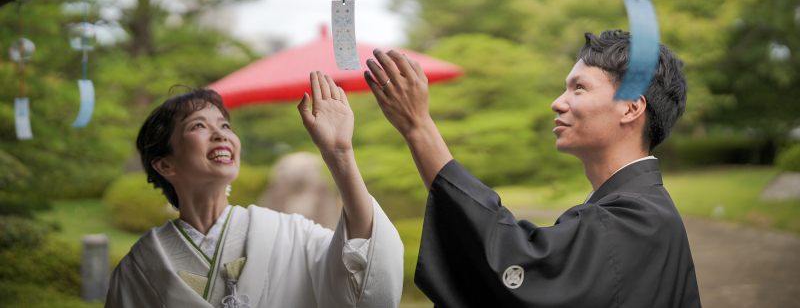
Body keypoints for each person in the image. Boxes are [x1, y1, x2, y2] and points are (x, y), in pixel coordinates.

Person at [363, 30, 702, 307]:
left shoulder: (635, 218)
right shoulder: (645, 209)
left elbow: (518, 264)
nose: (558, 102)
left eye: (579, 87)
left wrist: (419, 128)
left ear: (630, 108)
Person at [106, 72, 403, 308]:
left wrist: (340, 153)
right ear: (165, 165)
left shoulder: (290, 233)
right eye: (198, 126)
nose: (221, 134)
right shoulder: (140, 266)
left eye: (225, 125)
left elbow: (365, 275)